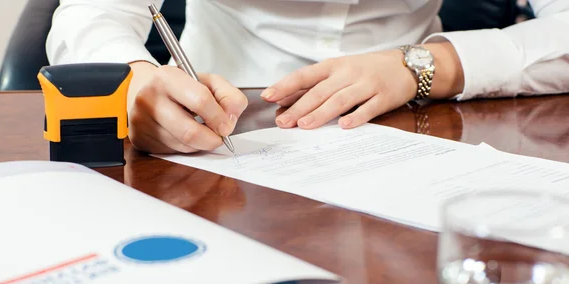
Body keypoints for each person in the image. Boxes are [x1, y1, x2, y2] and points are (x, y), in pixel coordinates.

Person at [46, 0, 569, 154]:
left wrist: (423, 66)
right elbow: (93, 13)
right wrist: (132, 81)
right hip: (217, 127)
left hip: (420, 121)